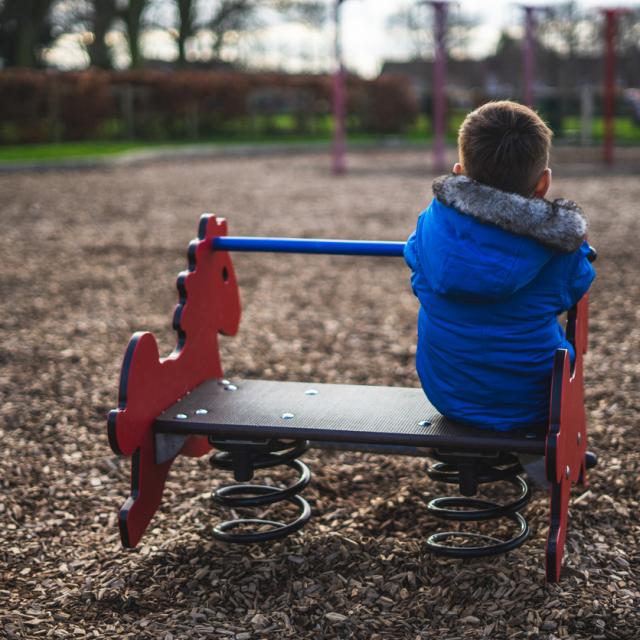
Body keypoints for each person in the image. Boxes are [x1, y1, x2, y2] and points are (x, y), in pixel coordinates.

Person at [404, 100, 596, 432]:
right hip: (533, 402)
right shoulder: (555, 247)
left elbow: (413, 258)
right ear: (543, 183)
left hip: (446, 392)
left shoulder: (430, 224)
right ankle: (540, 461)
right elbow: (578, 284)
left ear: (460, 173)